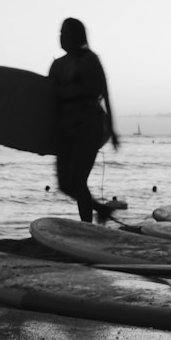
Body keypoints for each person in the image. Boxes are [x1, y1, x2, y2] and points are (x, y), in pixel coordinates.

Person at [49, 18, 119, 223]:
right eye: (61, 32)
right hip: (65, 128)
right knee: (64, 184)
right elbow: (48, 100)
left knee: (79, 182)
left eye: (67, 32)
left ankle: (86, 226)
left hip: (89, 126)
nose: (62, 36)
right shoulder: (58, 65)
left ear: (78, 35)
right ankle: (101, 210)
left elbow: (105, 94)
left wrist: (112, 131)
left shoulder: (89, 60)